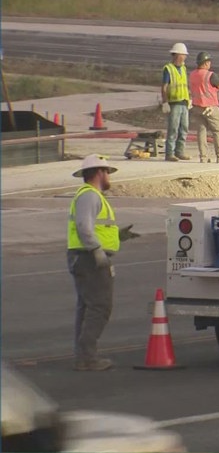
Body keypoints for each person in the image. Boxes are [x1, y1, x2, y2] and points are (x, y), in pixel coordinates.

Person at [67, 155, 131, 371]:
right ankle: (87, 357)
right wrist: (97, 252)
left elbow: (95, 228)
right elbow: (84, 227)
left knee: (87, 307)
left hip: (82, 257)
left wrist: (118, 236)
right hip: (89, 258)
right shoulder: (90, 196)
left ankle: (83, 356)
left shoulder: (90, 196)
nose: (109, 176)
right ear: (99, 173)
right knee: (100, 307)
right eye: (107, 172)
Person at [189, 51, 219, 163]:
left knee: (201, 131)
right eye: (209, 61)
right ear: (205, 63)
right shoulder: (210, 75)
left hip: (196, 106)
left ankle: (203, 157)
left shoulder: (192, 74)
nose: (210, 64)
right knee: (217, 131)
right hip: (211, 107)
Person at [161, 43, 192, 161]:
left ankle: (180, 151)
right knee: (173, 128)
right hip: (174, 103)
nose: (184, 57)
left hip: (184, 102)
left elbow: (185, 85)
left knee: (184, 128)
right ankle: (169, 153)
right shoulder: (168, 69)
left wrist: (189, 98)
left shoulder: (183, 68)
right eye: (183, 55)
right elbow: (164, 87)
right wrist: (165, 102)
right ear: (177, 55)